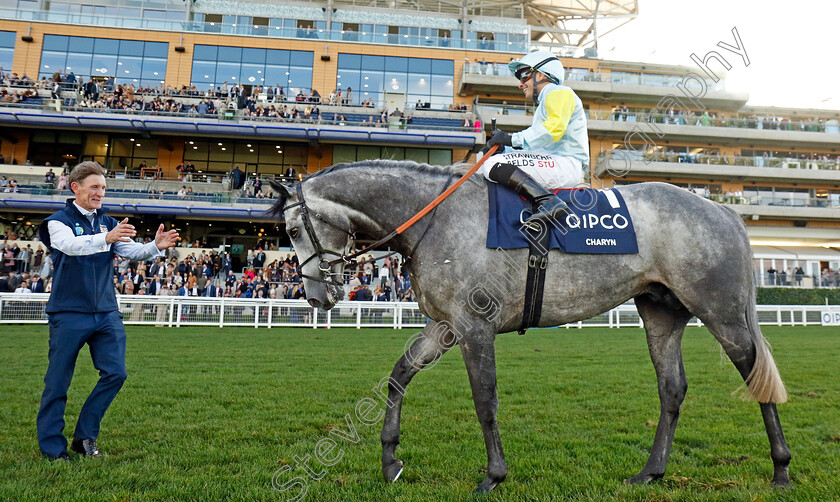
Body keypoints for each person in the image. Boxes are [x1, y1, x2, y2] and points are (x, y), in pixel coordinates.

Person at [36, 161, 179, 461]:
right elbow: (71, 246)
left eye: (103, 187)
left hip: (106, 312)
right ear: (75, 187)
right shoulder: (57, 221)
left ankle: (85, 435)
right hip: (68, 312)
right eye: (95, 187)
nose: (100, 193)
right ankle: (52, 447)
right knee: (58, 382)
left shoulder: (108, 222)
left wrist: (155, 245)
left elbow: (131, 251)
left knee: (116, 373)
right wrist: (107, 238)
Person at [481, 50, 590, 227]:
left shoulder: (557, 92)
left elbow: (553, 129)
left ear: (541, 74)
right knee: (498, 160)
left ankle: (549, 202)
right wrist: (505, 148)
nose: (521, 84)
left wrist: (511, 139)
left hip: (567, 165)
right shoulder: (546, 101)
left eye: (524, 76)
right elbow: (537, 149)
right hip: (557, 163)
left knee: (493, 165)